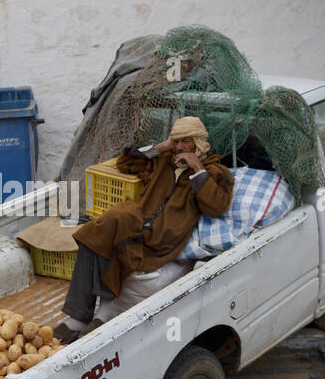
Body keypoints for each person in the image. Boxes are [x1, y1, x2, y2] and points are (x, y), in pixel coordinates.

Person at [54, 116, 234, 343]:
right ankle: (83, 316)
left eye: (185, 142)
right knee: (99, 229)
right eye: (176, 141)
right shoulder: (164, 161)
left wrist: (197, 168)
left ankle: (101, 312)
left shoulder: (215, 172)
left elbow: (217, 206)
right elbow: (125, 162)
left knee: (110, 230)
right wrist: (162, 147)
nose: (179, 147)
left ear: (198, 142)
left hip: (162, 238)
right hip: (137, 220)